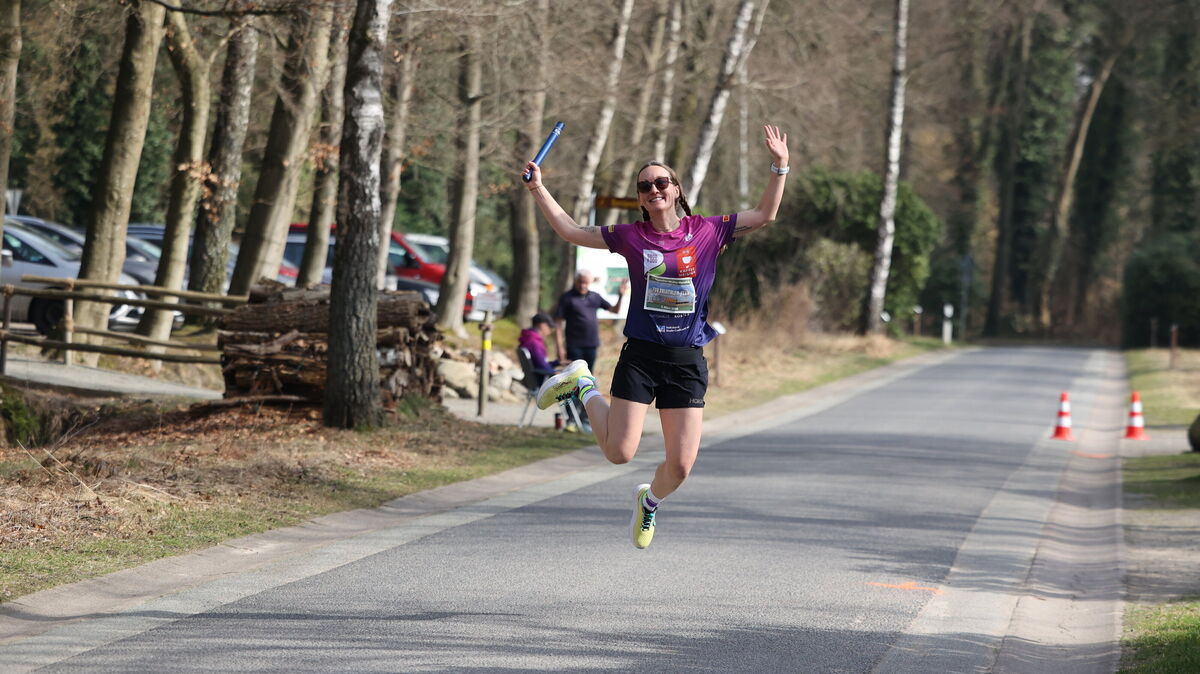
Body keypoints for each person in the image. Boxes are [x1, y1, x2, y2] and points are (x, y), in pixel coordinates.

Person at [523, 124, 789, 549]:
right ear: (641, 197)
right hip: (642, 356)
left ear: (677, 189)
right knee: (619, 453)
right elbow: (572, 230)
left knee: (680, 467)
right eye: (645, 186)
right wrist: (539, 189)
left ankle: (649, 502)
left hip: (685, 361)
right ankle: (582, 384)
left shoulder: (709, 230)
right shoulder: (630, 236)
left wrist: (779, 166)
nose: (653, 189)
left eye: (661, 181)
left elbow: (765, 215)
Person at [553, 270, 628, 431]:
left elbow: (614, 310)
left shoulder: (594, 297)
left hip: (591, 345)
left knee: (587, 382)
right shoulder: (567, 298)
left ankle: (585, 418)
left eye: (586, 283)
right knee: (574, 381)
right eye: (580, 282)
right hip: (574, 345)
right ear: (576, 281)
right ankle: (572, 419)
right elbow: (558, 324)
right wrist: (559, 347)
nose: (583, 286)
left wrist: (621, 295)